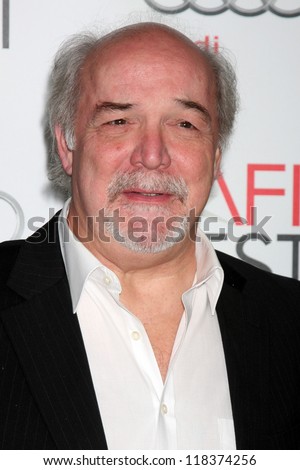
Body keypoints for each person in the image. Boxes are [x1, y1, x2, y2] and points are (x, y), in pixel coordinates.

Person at [0, 21, 300, 451]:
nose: (153, 155)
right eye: (119, 120)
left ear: (215, 157)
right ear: (67, 145)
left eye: (184, 125)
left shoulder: (291, 322)